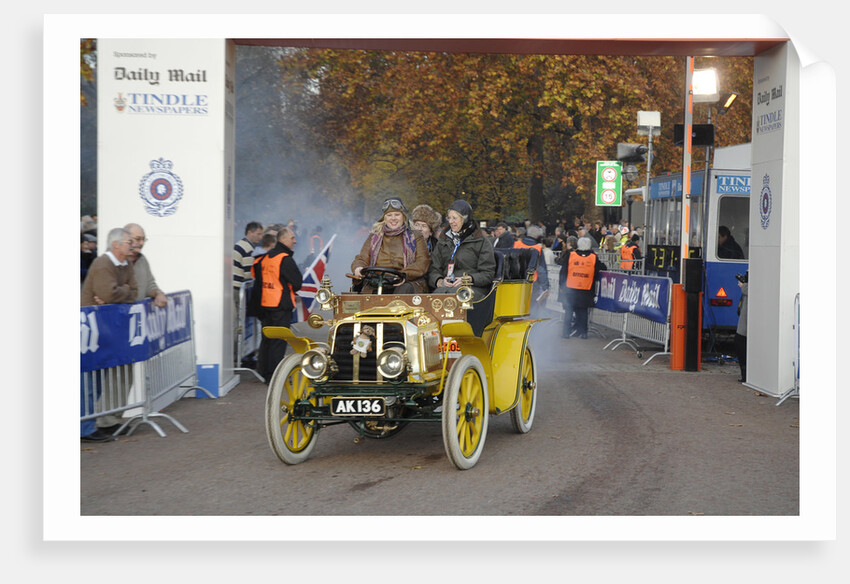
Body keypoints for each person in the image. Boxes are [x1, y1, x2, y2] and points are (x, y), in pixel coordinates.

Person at [80, 227, 138, 442]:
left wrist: (118, 293)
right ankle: (84, 428)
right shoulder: (103, 263)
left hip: (106, 330)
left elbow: (134, 291)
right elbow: (109, 293)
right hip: (92, 331)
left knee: (97, 381)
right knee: (89, 381)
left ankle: (91, 424)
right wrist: (121, 292)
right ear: (115, 245)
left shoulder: (126, 264)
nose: (131, 246)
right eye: (128, 242)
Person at [250, 227, 303, 380]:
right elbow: (297, 282)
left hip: (264, 304)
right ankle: (275, 376)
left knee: (267, 339)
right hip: (280, 304)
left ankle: (264, 372)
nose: (295, 241)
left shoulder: (264, 258)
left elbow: (257, 278)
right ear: (283, 239)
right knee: (278, 341)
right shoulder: (284, 258)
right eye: (292, 238)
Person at [351, 197, 431, 294]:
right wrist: (358, 267)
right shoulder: (374, 237)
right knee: (368, 295)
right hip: (377, 281)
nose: (393, 218)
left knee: (402, 290)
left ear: (403, 216)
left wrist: (403, 275)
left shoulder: (415, 236)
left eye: (397, 214)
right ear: (384, 218)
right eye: (389, 215)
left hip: (407, 281)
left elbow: (423, 262)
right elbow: (362, 258)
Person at [427, 199, 496, 300]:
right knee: (432, 301)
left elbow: (488, 274)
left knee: (454, 297)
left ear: (465, 219)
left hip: (472, 289)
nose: (450, 221)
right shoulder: (443, 240)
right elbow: (434, 269)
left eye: (454, 218)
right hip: (446, 288)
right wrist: (440, 281)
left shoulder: (481, 241)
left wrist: (468, 279)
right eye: (449, 218)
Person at [556, 236, 606, 339]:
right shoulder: (593, 256)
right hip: (586, 288)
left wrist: (561, 285)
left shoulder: (571, 255)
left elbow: (563, 271)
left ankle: (566, 333)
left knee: (569, 310)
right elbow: (600, 269)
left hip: (570, 287)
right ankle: (583, 333)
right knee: (583, 311)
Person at [513, 231, 550, 312]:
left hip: (516, 280)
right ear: (536, 236)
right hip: (532, 281)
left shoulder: (516, 244)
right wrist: (545, 287)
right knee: (531, 306)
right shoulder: (538, 248)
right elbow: (541, 270)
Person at [735, 273, 749, 383]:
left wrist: (743, 286)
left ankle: (745, 375)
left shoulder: (748, 290)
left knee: (741, 346)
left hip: (745, 327)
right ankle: (745, 374)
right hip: (745, 326)